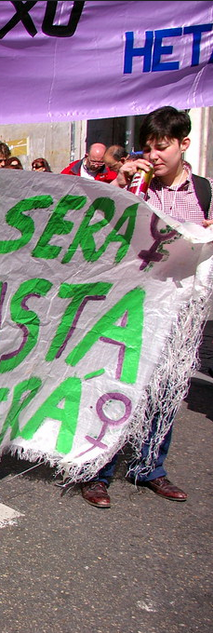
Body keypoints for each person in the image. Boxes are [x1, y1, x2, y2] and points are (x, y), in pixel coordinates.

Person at [78, 106, 211, 509]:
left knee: (165, 388)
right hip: (134, 304)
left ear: (184, 144)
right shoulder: (138, 183)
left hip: (179, 308)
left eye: (162, 147)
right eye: (148, 147)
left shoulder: (203, 191)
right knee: (118, 384)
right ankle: (97, 470)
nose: (154, 156)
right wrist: (120, 184)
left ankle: (150, 466)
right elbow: (103, 225)